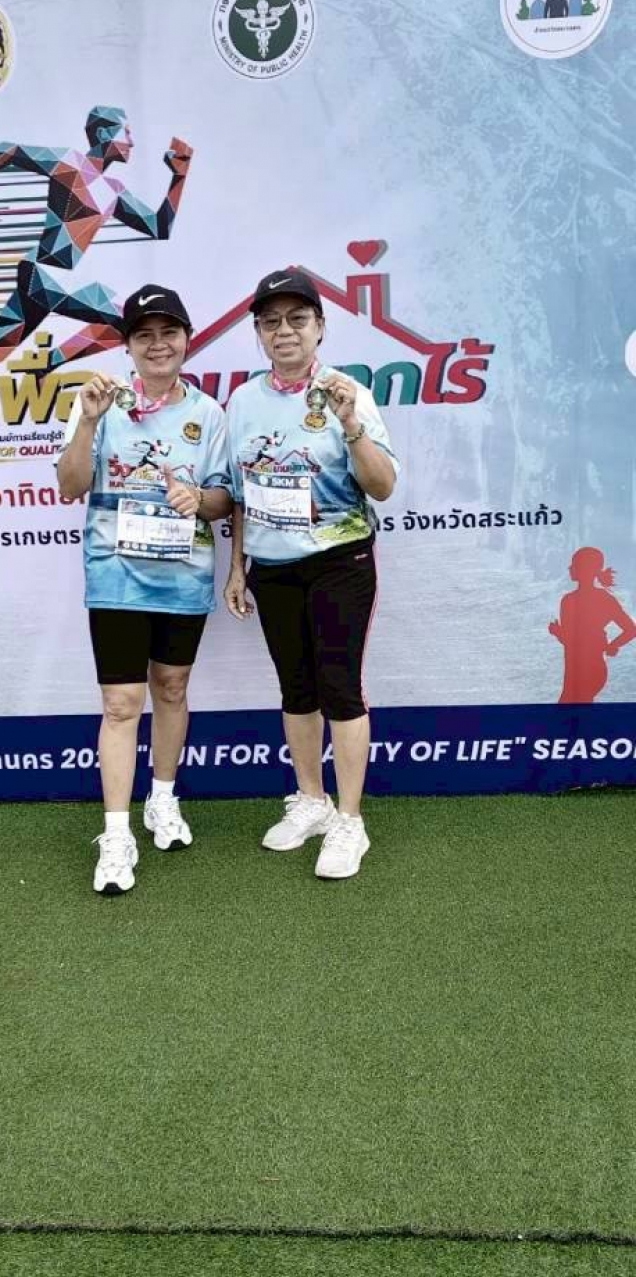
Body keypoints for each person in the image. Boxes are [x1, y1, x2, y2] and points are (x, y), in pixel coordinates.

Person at [224, 269, 398, 880]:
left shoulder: (349, 392)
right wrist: (238, 567)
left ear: (320, 327)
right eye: (271, 322)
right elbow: (240, 491)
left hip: (339, 562)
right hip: (272, 567)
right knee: (296, 689)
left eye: (297, 319)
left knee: (338, 688)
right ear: (259, 333)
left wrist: (350, 425)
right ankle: (311, 800)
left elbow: (383, 486)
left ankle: (350, 820)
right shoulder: (242, 401)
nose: (284, 331)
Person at [58, 285, 231, 895]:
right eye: (144, 335)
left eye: (169, 333)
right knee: (120, 704)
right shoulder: (99, 402)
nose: (158, 345)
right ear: (128, 346)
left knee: (173, 687)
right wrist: (88, 422)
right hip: (116, 575)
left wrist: (199, 498)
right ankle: (116, 833)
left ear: (186, 340)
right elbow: (70, 485)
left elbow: (223, 498)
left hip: (183, 575)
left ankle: (162, 798)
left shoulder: (210, 414)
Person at [0, 107, 192, 451]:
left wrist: (179, 176)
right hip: (46, 274)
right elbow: (8, 150)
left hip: (50, 279)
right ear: (105, 134)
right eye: (126, 133)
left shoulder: (114, 189)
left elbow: (159, 226)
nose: (132, 142)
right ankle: (54, 361)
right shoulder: (70, 163)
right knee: (129, 322)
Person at [549, 547, 636, 704]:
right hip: (579, 671)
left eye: (574, 564)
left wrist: (613, 645)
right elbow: (572, 642)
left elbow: (570, 641)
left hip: (585, 671)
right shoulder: (596, 599)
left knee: (571, 711)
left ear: (585, 569)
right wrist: (612, 645)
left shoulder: (569, 601)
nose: (570, 568)